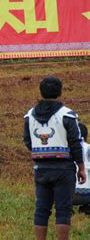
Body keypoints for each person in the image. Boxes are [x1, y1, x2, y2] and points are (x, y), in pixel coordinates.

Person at [23, 76, 86, 240]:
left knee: (41, 209)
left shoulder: (29, 116)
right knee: (63, 209)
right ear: (60, 92)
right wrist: (81, 166)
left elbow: (28, 141)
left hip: (41, 168)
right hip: (64, 169)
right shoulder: (67, 115)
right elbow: (75, 142)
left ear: (41, 92)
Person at [73, 123, 90, 214]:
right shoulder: (88, 148)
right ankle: (87, 207)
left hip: (64, 195)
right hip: (87, 194)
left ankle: (65, 209)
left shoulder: (63, 150)